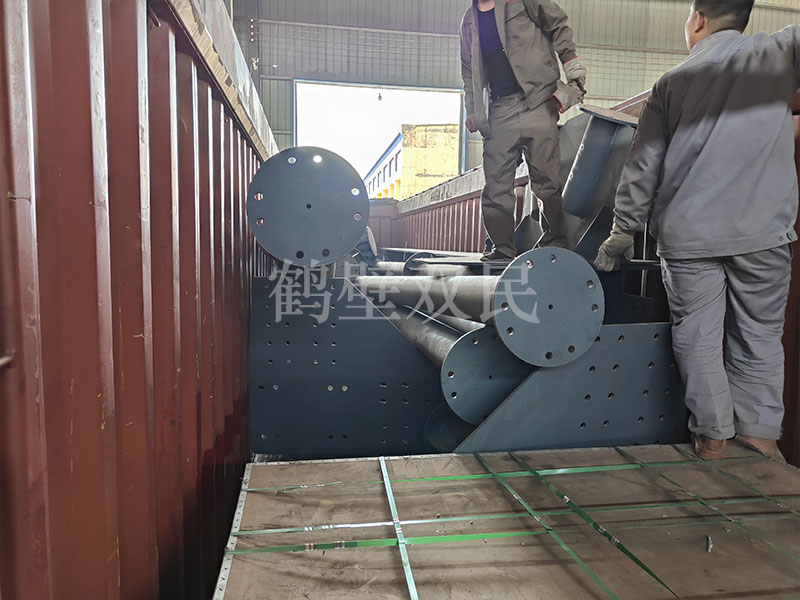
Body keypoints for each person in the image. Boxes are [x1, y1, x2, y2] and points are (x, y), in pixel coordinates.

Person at [594, 0, 800, 463]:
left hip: (689, 240)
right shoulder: (781, 52)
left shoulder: (670, 83)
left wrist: (622, 232)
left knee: (697, 336)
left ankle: (712, 436)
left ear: (698, 20)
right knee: (759, 335)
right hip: (762, 234)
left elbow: (641, 168)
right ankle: (761, 437)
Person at [460, 0, 586, 262]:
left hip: (538, 101)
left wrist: (572, 68)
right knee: (496, 186)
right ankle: (502, 250)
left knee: (547, 182)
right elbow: (467, 69)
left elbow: (557, 24)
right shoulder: (469, 21)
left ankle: (554, 244)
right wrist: (472, 109)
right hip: (498, 110)